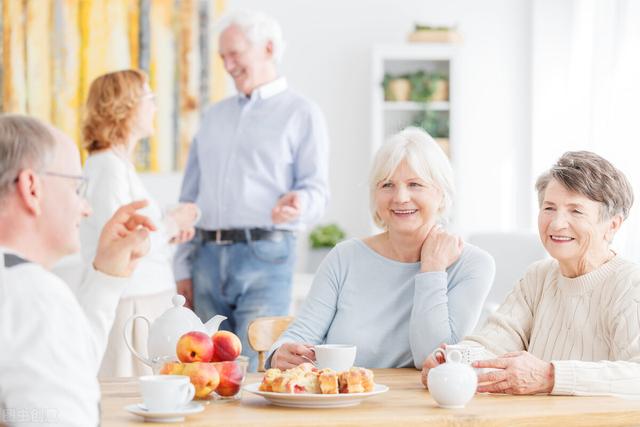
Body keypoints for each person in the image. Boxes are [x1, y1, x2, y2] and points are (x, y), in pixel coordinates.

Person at [173, 10, 330, 370]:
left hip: (266, 255)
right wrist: (182, 266)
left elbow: (317, 190)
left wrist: (300, 203)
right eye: (222, 57)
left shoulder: (302, 113)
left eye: (235, 53)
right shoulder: (213, 116)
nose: (227, 65)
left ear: (269, 48)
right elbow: (188, 200)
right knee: (206, 369)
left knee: (257, 367)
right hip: (206, 258)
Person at [268, 127, 495, 369]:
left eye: (415, 184)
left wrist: (432, 269)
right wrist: (278, 354)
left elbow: (432, 359)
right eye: (387, 185)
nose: (400, 197)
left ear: (441, 193)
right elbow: (302, 333)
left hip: (422, 404)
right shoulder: (344, 258)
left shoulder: (473, 264)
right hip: (345, 400)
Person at [421, 151, 640, 397]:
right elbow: (494, 341)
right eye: (549, 208)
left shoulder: (630, 284)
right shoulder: (539, 276)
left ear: (613, 225)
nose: (557, 224)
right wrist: (455, 359)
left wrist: (551, 376)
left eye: (576, 211)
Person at [0, 114, 154, 426]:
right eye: (75, 187)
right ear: (31, 187)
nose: (86, 208)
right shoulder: (33, 295)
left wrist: (107, 277)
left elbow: (68, 370)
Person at [79, 69, 200, 377]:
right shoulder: (107, 168)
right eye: (150, 98)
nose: (155, 107)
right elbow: (122, 245)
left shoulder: (117, 165)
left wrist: (169, 230)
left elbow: (138, 234)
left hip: (143, 300)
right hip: (132, 305)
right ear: (125, 105)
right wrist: (172, 223)